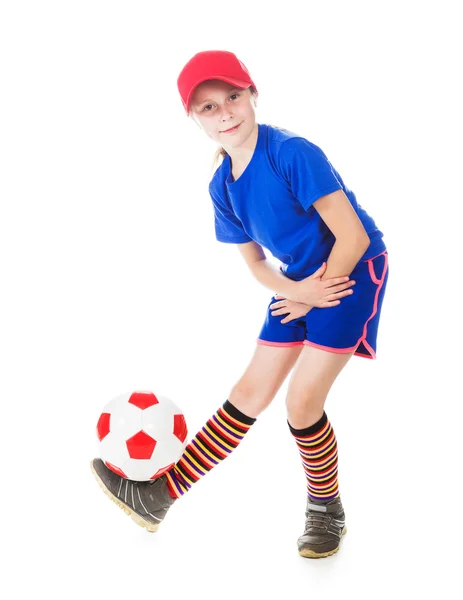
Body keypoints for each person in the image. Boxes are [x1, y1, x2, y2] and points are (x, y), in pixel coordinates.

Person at [91, 50, 389, 560]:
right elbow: (254, 264)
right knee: (248, 390)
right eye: (207, 107)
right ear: (193, 119)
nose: (224, 111)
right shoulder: (221, 183)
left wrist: (315, 294)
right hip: (301, 282)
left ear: (252, 95)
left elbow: (354, 237)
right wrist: (296, 292)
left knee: (301, 403)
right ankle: (159, 494)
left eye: (232, 96)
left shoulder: (292, 152)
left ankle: (326, 510)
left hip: (351, 271)